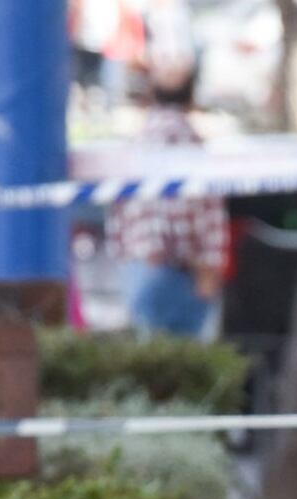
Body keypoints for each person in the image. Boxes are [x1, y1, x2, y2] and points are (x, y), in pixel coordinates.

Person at [106, 55, 227, 339]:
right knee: (189, 371)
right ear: (191, 98)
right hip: (184, 273)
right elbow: (206, 215)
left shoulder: (135, 145)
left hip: (140, 269)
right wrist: (209, 269)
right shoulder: (192, 145)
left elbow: (119, 214)